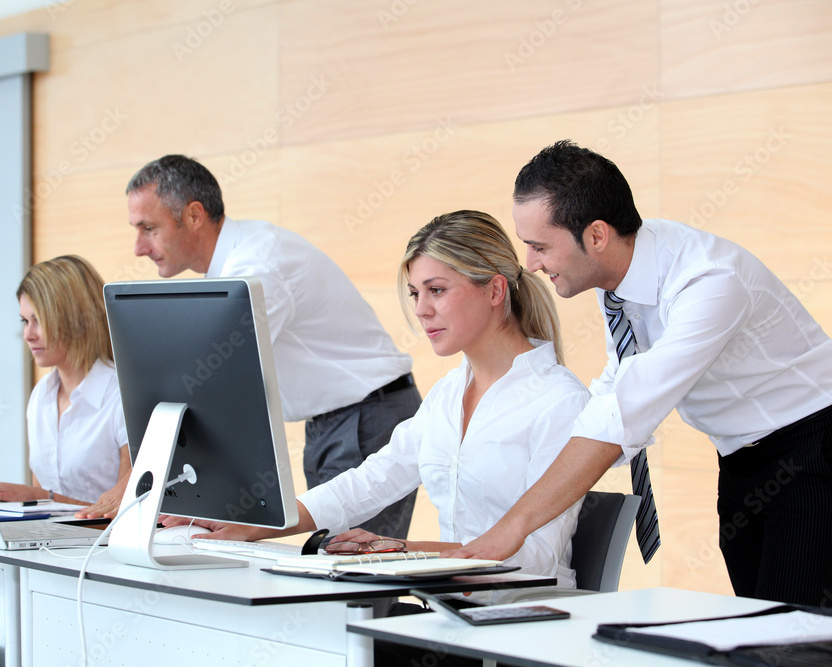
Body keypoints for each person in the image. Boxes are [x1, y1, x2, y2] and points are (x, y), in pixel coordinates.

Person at [451, 140, 832, 607]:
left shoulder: (708, 283)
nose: (530, 264)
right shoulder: (615, 277)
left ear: (595, 235)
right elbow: (617, 383)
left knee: (796, 636)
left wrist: (514, 524)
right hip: (740, 458)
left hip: (813, 446)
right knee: (760, 618)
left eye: (539, 247)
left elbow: (626, 415)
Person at [166, 210, 590, 601]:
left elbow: (533, 559)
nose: (422, 311)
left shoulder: (558, 402)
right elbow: (370, 481)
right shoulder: (447, 394)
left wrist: (397, 551)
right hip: (452, 615)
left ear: (495, 289)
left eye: (437, 290)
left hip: (524, 623)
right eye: (415, 293)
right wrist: (255, 525)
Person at [125, 154, 420, 539]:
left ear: (194, 215)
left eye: (149, 228)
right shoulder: (235, 265)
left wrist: (171, 491)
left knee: (353, 577)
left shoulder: (258, 265)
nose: (138, 247)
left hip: (366, 418)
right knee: (333, 571)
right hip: (335, 421)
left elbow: (213, 387)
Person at [0, 255, 131, 519]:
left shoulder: (123, 395)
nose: (28, 335)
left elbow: (124, 512)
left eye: (38, 319)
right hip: (50, 550)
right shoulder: (42, 395)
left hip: (102, 552)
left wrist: (39, 498)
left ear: (73, 319)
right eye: (25, 321)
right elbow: (42, 513)